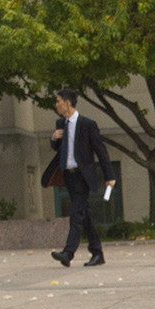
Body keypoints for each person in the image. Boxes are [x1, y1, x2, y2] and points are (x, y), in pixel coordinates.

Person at [44, 90, 116, 268]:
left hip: (83, 176)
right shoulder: (61, 123)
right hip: (68, 176)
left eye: (58, 101)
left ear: (68, 103)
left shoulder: (87, 124)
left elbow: (101, 151)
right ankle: (97, 252)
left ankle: (68, 253)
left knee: (76, 215)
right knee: (85, 216)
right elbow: (58, 149)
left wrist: (110, 176)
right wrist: (54, 138)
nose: (56, 105)